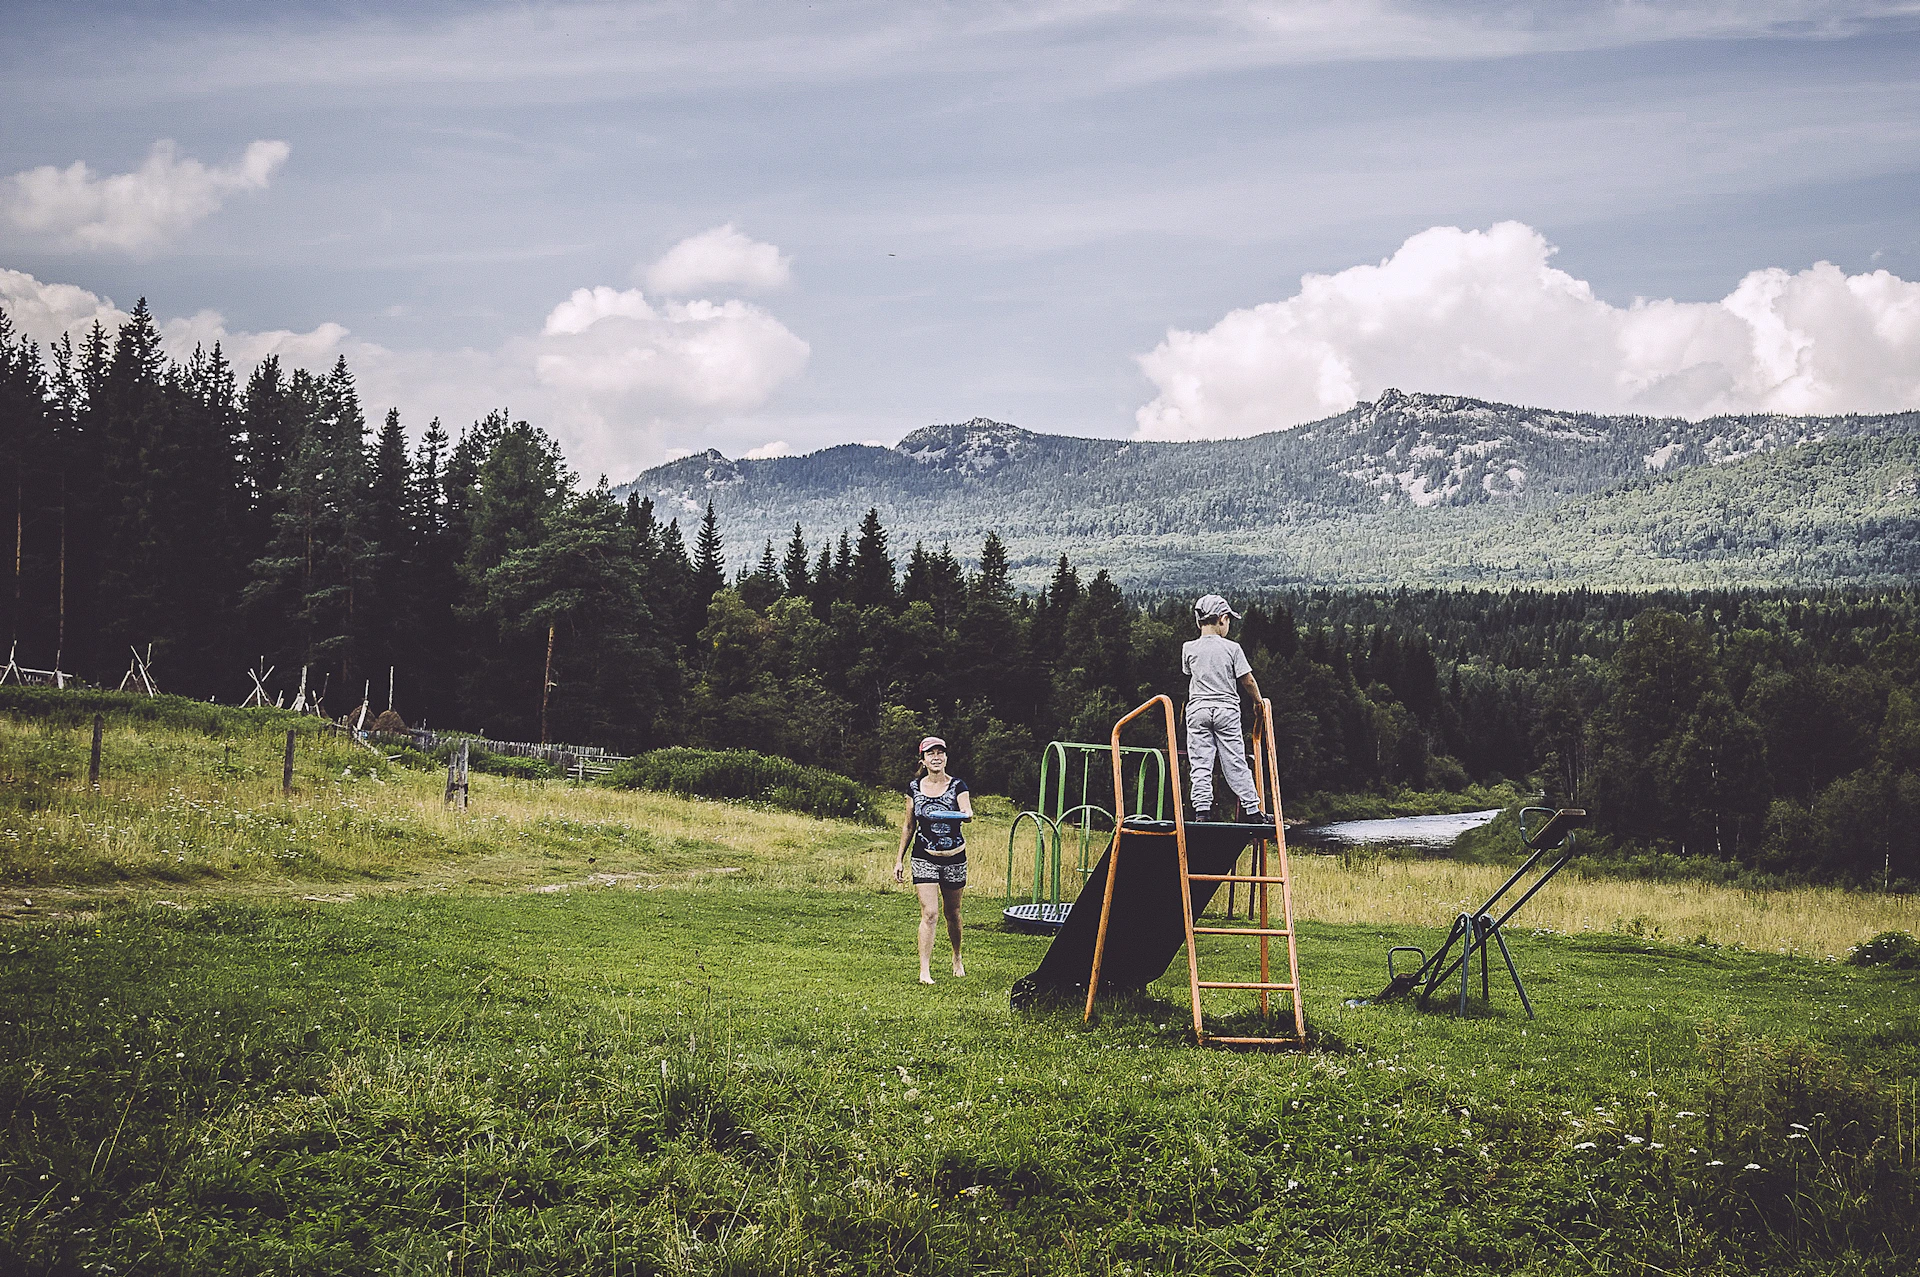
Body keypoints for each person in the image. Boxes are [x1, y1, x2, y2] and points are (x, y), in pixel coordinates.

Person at [893, 735, 973, 984]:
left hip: (954, 857)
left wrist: (965, 814)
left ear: (946, 758)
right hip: (923, 855)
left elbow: (966, 811)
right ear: (923, 760)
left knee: (953, 913)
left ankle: (956, 956)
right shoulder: (914, 788)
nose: (936, 757)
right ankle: (924, 971)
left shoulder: (958, 785)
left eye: (940, 752)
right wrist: (899, 860)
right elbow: (908, 826)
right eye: (931, 753)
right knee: (930, 913)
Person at [1182, 594, 1267, 823]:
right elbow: (1247, 680)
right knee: (1235, 761)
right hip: (1226, 710)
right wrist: (1259, 703)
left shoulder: (1188, 648)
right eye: (1229, 620)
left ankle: (1202, 811)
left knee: (1201, 762)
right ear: (1222, 619)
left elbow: (1190, 673)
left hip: (1198, 709)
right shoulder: (1232, 648)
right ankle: (1252, 810)